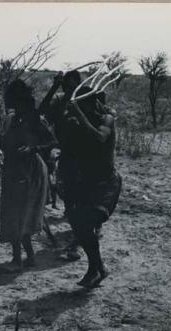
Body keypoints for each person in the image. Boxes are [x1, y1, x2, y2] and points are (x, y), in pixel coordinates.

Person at [0, 79, 57, 273]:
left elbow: (52, 142)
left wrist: (33, 148)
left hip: (30, 171)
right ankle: (26, 257)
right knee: (13, 213)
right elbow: (7, 142)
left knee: (21, 214)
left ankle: (19, 259)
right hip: (13, 169)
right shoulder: (12, 120)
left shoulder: (35, 120)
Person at [65, 87, 122, 288]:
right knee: (77, 222)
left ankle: (95, 269)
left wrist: (78, 115)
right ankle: (98, 268)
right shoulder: (79, 124)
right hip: (87, 183)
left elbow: (99, 138)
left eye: (84, 107)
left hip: (106, 185)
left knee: (87, 222)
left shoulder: (107, 119)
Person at [38, 71, 82, 261]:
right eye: (66, 85)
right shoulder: (59, 101)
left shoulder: (83, 100)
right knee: (69, 196)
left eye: (72, 85)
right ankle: (78, 234)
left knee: (81, 198)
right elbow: (42, 110)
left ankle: (78, 240)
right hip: (67, 155)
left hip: (82, 155)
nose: (68, 88)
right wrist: (54, 86)